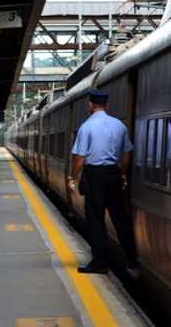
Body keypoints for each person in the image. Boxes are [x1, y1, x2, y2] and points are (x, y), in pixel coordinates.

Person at [68, 90, 137, 274]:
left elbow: (80, 158)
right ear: (106, 105)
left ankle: (100, 262)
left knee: (96, 219)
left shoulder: (87, 127)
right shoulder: (119, 126)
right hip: (113, 174)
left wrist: (72, 177)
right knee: (120, 219)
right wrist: (122, 174)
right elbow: (127, 155)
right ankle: (132, 260)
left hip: (94, 176)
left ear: (90, 104)